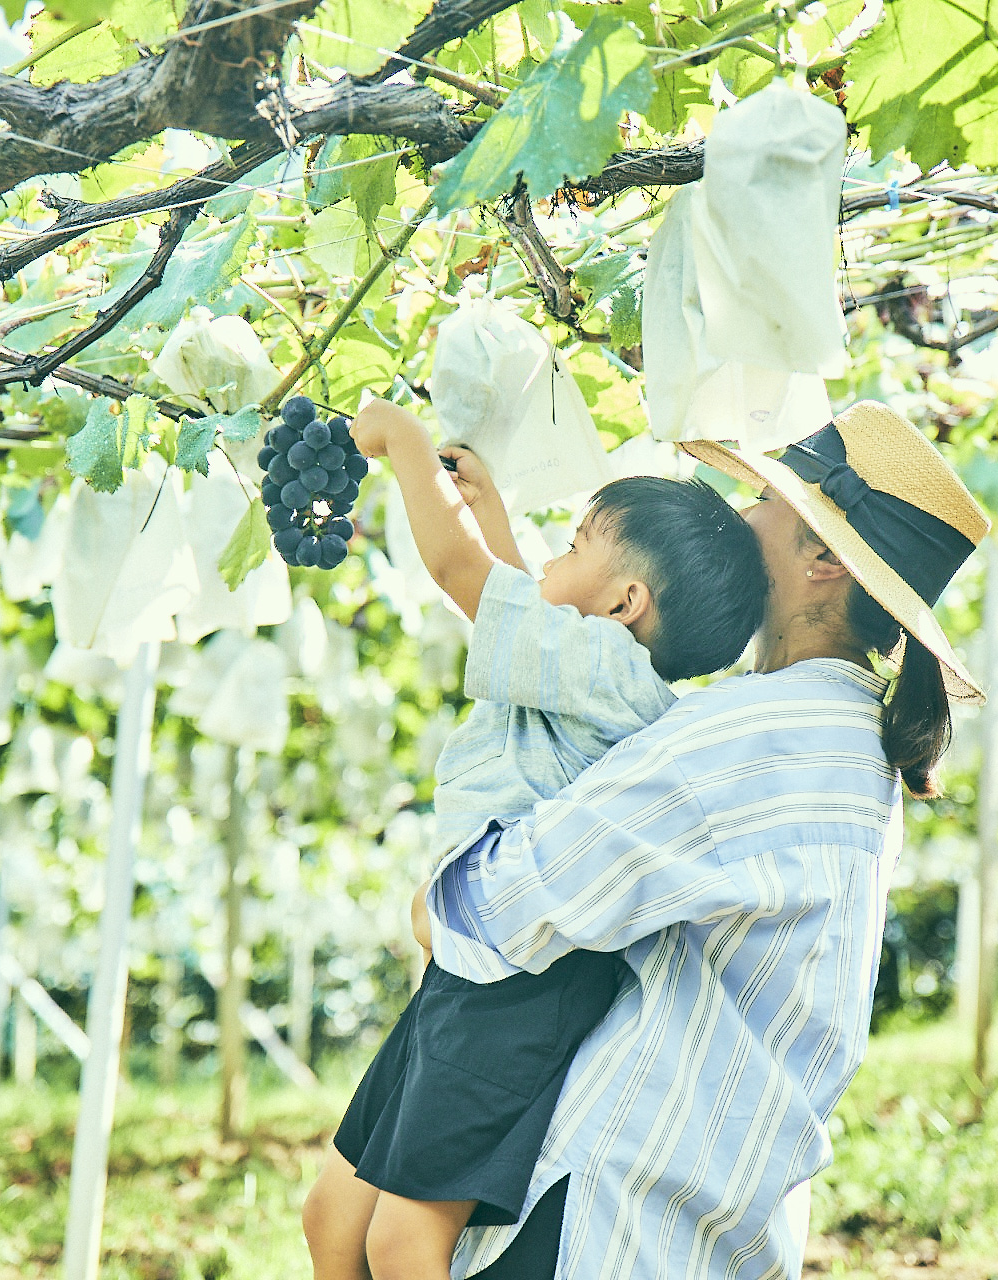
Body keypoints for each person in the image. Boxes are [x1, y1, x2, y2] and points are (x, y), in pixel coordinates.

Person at [388, 400, 990, 1280]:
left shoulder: (748, 738)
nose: (738, 517)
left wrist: (435, 899)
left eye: (767, 503)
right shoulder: (849, 740)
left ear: (823, 559)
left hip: (614, 1208)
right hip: (719, 1214)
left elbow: (494, 910)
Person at [300, 398, 770, 1280]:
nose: (551, 559)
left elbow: (457, 571)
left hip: (514, 991)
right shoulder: (603, 672)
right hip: (483, 971)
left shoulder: (605, 669)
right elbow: (527, 614)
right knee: (334, 1219)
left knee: (403, 1246)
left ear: (627, 602)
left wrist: (400, 440)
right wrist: (496, 519)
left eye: (575, 545)